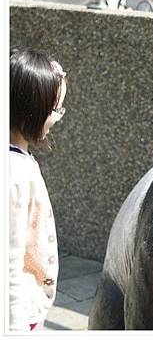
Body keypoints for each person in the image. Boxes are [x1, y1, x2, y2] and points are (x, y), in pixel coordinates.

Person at [9, 48, 68, 331]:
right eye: (56, 109)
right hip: (18, 316)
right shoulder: (14, 174)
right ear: (30, 109)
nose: (58, 117)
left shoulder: (19, 161)